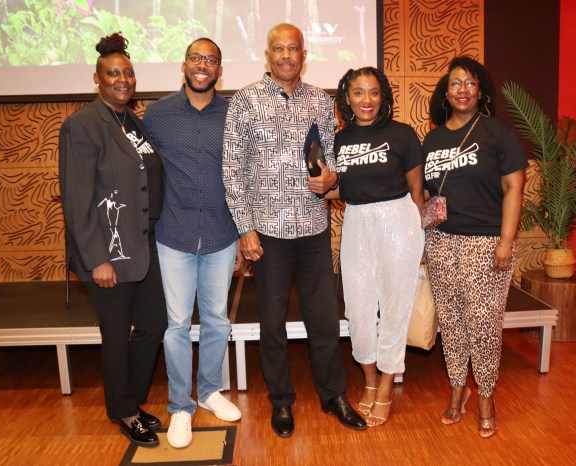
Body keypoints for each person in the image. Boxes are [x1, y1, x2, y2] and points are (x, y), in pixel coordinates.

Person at [222, 22, 366, 438]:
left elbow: (332, 160)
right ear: (267, 56)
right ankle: (281, 401)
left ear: (304, 55)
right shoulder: (245, 101)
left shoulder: (321, 102)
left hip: (313, 228)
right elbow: (232, 171)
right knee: (272, 322)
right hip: (266, 233)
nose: (286, 56)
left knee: (324, 320)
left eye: (294, 49)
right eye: (278, 49)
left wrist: (331, 180)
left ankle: (332, 394)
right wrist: (244, 229)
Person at [58, 32, 166, 448]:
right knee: (117, 333)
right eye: (113, 73)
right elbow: (77, 198)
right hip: (108, 251)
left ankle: (131, 401)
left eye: (128, 72)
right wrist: (97, 258)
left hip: (142, 246)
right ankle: (123, 410)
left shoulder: (132, 121)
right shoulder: (82, 125)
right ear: (97, 78)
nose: (123, 79)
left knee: (153, 323)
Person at [143, 38, 242, 449]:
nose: (203, 66)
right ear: (184, 64)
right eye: (197, 58)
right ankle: (180, 406)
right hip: (175, 232)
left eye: (211, 60)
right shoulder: (158, 113)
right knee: (177, 326)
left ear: (220, 69)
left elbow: (244, 169)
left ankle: (209, 392)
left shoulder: (235, 111)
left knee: (217, 320)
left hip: (221, 232)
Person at [422, 56, 528, 438]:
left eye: (470, 82)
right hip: (441, 241)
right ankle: (456, 388)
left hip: (486, 242)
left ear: (480, 90)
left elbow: (515, 187)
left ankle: (485, 394)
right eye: (455, 83)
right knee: (450, 321)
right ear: (445, 92)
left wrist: (506, 241)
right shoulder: (432, 139)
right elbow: (426, 194)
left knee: (483, 324)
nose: (462, 89)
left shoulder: (498, 132)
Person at [327, 67, 424, 427]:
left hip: (399, 221)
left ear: (382, 97)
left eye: (373, 93)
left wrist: (421, 238)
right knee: (359, 308)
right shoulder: (339, 139)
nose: (366, 100)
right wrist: (317, 185)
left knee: (395, 310)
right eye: (358, 93)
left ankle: (385, 386)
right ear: (346, 99)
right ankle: (368, 379)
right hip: (356, 223)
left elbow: (417, 191)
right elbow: (342, 190)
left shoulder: (401, 134)